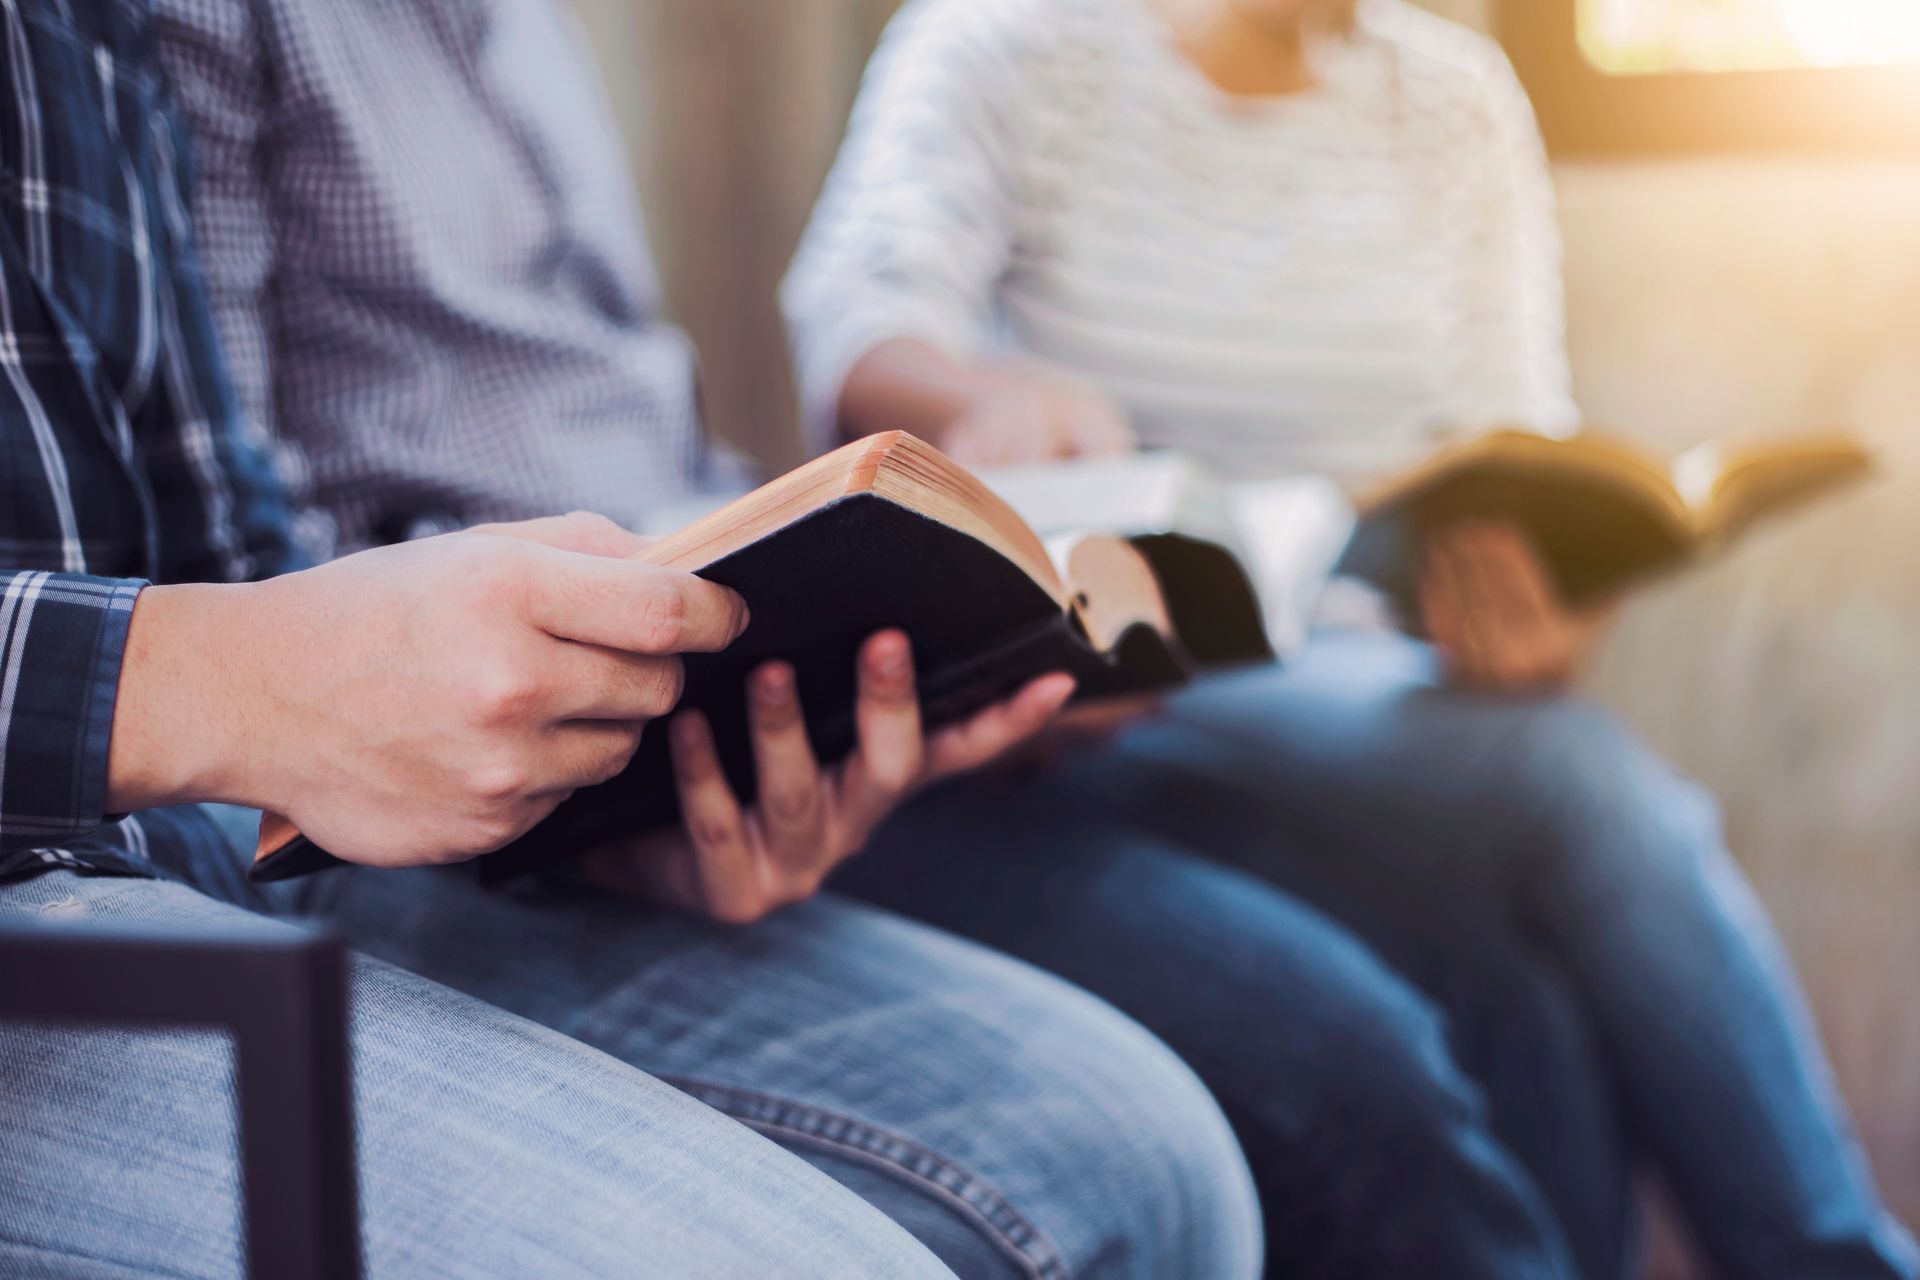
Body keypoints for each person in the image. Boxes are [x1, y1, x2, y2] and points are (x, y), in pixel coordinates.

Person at [148, 0, 1632, 1275]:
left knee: (1499, 975)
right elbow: (235, 560)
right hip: (524, 725)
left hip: (738, 653)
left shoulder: (521, 33)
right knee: (1374, 1015)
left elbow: (623, 429)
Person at [0, 3, 1270, 1276]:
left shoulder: (101, 37)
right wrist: (222, 683)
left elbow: (222, 541)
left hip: (213, 834)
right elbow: (260, 626)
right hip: (60, 890)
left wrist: (585, 815)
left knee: (1148, 1168)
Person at [783, 0, 1920, 1277]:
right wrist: (981, 395)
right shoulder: (1005, 45)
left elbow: (1511, 439)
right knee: (1563, 780)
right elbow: (859, 333)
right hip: (1133, 676)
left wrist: (1548, 600)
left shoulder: (1454, 99)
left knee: (1522, 970)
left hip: (1381, 685)